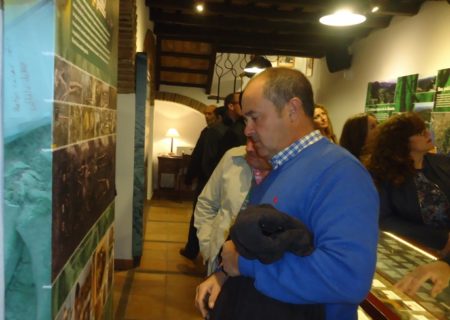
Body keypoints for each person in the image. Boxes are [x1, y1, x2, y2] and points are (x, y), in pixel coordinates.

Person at [195, 67, 379, 320]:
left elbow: (347, 277)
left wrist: (244, 266)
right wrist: (223, 275)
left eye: (255, 118)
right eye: (245, 120)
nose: (247, 130)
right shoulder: (280, 168)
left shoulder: (341, 173)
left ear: (292, 109)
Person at [367, 112, 450, 255]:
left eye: (425, 129)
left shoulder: (442, 163)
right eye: (419, 132)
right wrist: (441, 239)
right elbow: (385, 220)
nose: (427, 134)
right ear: (402, 141)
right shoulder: (383, 173)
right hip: (414, 249)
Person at [195, 139, 271, 275]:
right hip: (220, 261)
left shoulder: (288, 170)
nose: (248, 147)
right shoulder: (233, 157)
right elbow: (206, 203)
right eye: (248, 138)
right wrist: (208, 246)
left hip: (258, 270)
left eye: (256, 139)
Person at [180, 104, 226, 260]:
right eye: (205, 113)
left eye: (210, 113)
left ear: (218, 116)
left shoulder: (212, 132)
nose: (207, 116)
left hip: (207, 181)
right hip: (214, 182)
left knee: (199, 214)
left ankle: (193, 249)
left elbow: (199, 157)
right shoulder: (218, 132)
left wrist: (190, 176)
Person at [217, 92, 247, 159]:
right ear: (231, 106)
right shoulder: (218, 130)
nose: (245, 105)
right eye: (241, 102)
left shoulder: (244, 125)